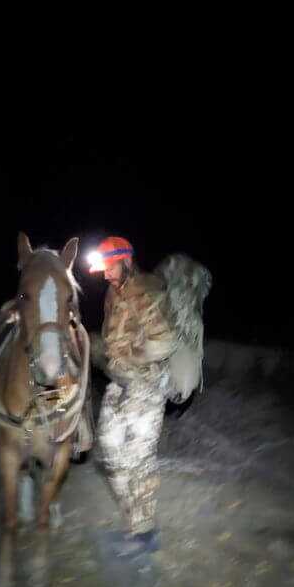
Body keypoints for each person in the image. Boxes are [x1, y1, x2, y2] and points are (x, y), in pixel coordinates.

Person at [87, 235, 178, 560]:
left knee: (139, 459)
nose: (105, 275)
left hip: (147, 386)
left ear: (126, 261)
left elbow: (165, 342)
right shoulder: (113, 293)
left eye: (109, 268)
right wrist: (88, 341)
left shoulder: (146, 291)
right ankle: (132, 523)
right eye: (103, 270)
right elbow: (113, 341)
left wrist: (130, 357)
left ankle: (144, 532)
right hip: (120, 383)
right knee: (109, 451)